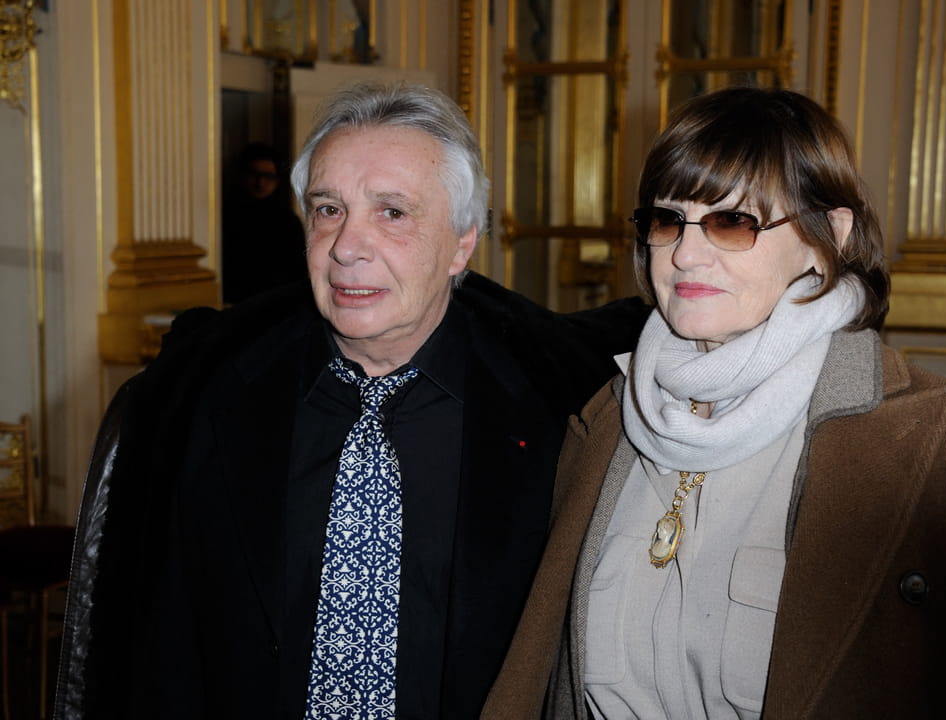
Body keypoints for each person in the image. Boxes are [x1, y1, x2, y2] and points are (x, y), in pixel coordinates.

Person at [53, 83, 646, 719]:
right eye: (328, 209)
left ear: (462, 242)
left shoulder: (560, 410)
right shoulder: (206, 396)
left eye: (391, 212)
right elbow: (159, 651)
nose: (345, 246)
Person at [485, 87, 946, 718]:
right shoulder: (606, 419)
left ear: (829, 237)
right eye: (667, 220)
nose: (685, 253)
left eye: (732, 222)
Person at [221, 142, 308, 304]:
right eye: (254, 174)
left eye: (268, 176)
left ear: (277, 180)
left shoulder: (288, 221)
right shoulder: (227, 216)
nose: (260, 182)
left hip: (278, 303)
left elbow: (298, 269)